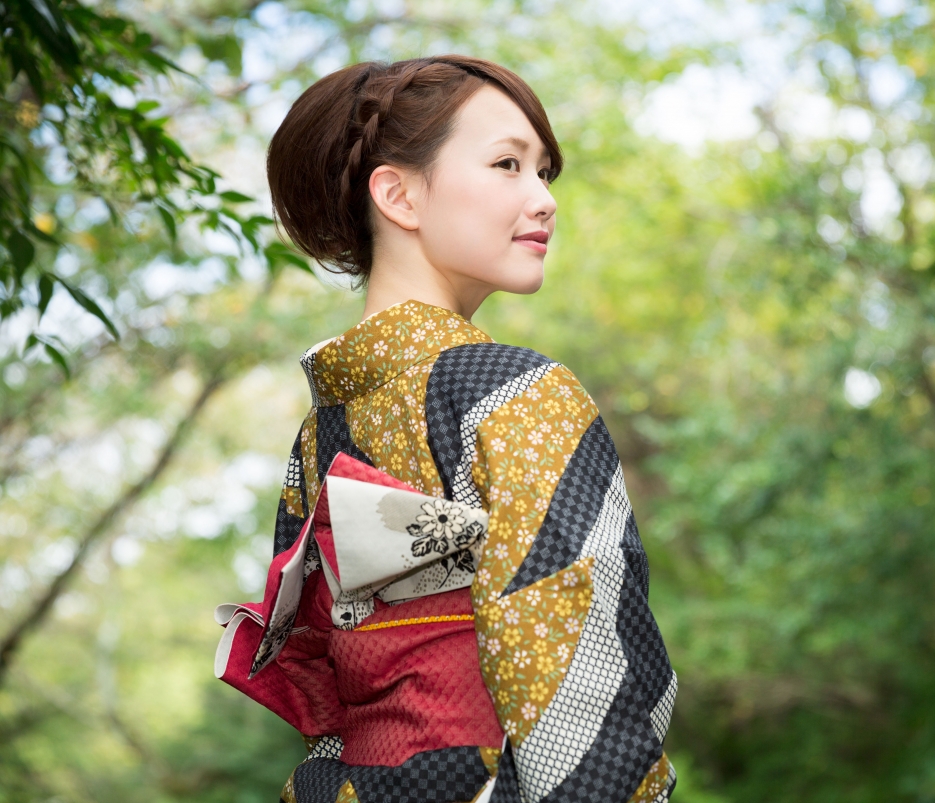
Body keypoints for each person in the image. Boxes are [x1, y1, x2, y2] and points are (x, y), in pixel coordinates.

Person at [212, 55, 677, 803]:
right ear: (397, 193)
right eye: (507, 164)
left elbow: (318, 682)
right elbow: (584, 679)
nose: (544, 199)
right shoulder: (517, 393)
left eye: (545, 173)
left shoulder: (320, 429)